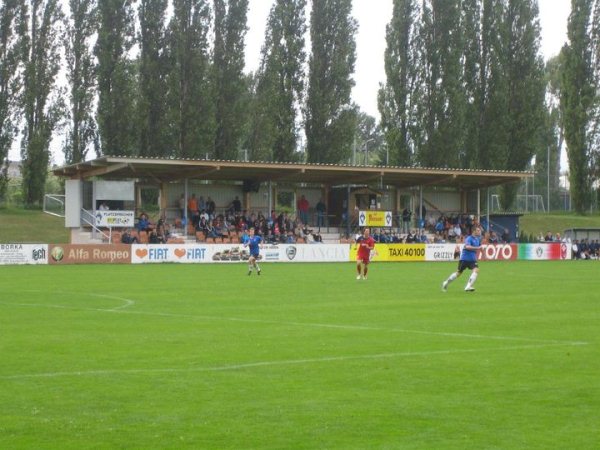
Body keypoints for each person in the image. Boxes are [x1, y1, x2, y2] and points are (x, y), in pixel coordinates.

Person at [442, 226, 482, 292]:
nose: (479, 231)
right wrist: (477, 248)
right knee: (458, 273)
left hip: (472, 260)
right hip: (465, 259)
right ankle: (446, 282)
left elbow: (480, 247)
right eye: (478, 230)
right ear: (474, 231)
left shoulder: (477, 239)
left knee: (476, 270)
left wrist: (483, 253)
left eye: (479, 230)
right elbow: (467, 247)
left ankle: (468, 286)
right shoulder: (469, 238)